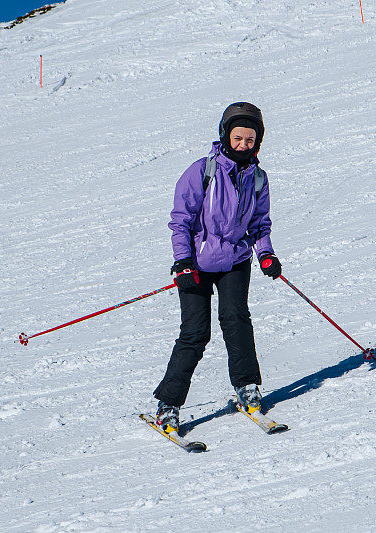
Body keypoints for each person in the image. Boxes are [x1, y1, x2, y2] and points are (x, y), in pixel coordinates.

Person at [152, 102, 282, 432]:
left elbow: (260, 224)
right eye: (237, 138)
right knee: (195, 333)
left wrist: (265, 253)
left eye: (250, 140)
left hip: (235, 262)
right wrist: (182, 261)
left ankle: (247, 387)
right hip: (196, 264)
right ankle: (168, 404)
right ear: (225, 135)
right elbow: (180, 221)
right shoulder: (201, 171)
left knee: (236, 320)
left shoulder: (258, 178)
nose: (243, 145)